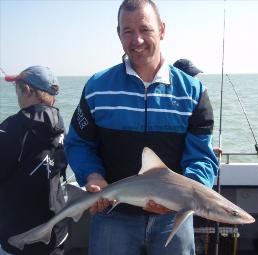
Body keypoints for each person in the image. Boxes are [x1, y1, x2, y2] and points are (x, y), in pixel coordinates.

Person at [64, 0, 218, 254]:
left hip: (174, 220)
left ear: (162, 29)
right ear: (118, 34)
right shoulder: (98, 87)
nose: (136, 40)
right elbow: (79, 143)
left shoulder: (193, 92)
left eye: (145, 29)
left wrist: (181, 198)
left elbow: (201, 156)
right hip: (112, 215)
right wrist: (92, 175)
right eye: (128, 31)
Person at [0, 66, 68, 255]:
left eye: (17, 89)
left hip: (21, 238)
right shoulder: (60, 125)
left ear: (27, 90)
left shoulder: (12, 128)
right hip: (57, 232)